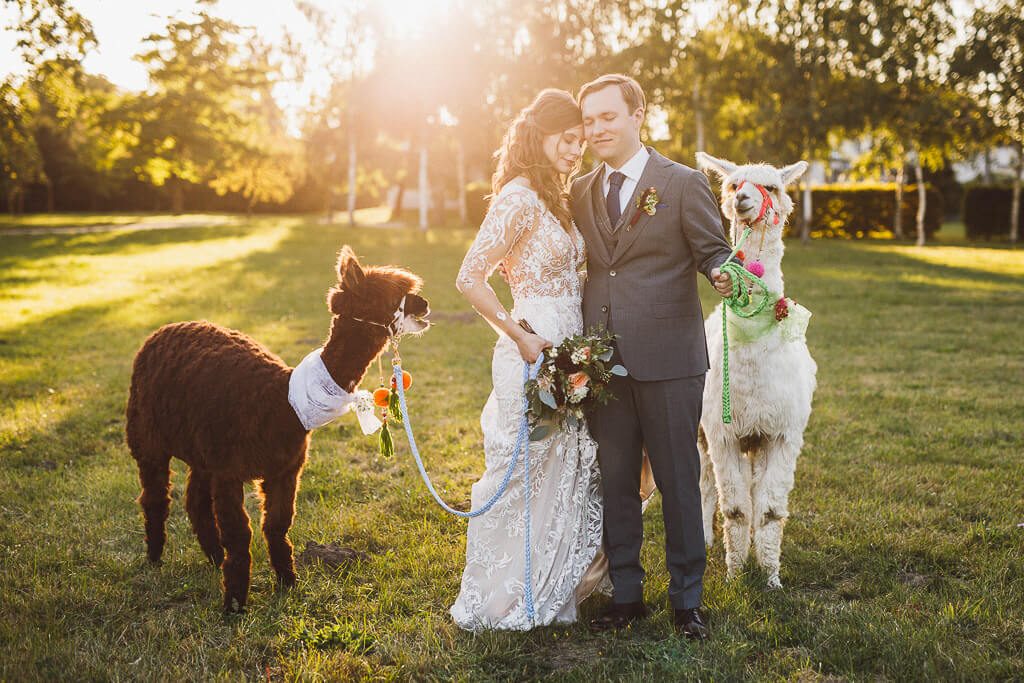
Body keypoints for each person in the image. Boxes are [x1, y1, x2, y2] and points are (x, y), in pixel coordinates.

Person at [570, 74, 734, 640]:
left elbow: (715, 253)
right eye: (588, 120)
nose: (597, 130)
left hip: (670, 362)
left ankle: (687, 601)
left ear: (638, 114)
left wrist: (726, 277)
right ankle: (627, 594)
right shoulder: (581, 191)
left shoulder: (683, 184)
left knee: (679, 483)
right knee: (615, 482)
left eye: (608, 117)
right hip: (603, 367)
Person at [449, 88, 604, 631]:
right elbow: (469, 277)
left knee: (570, 468)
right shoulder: (517, 197)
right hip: (531, 350)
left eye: (580, 144)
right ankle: (507, 594)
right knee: (525, 472)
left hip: (573, 353)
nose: (574, 152)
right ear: (541, 135)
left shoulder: (556, 198)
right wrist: (518, 335)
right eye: (567, 141)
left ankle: (558, 583)